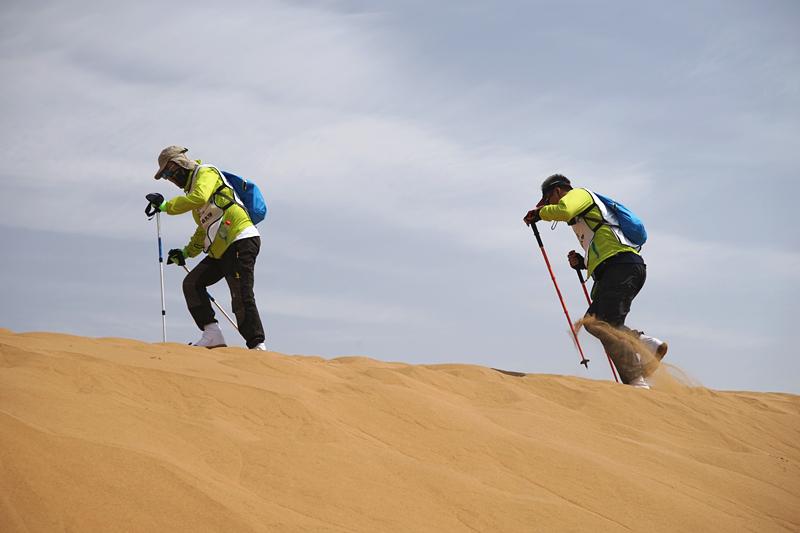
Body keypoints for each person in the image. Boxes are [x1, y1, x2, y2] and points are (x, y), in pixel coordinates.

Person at [523, 174, 666, 388]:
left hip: (622, 266)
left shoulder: (578, 194)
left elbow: (564, 210)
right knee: (596, 322)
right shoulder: (584, 222)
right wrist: (583, 263)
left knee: (604, 324)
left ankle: (640, 369)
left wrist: (540, 214)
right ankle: (642, 357)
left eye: (548, 201)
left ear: (557, 191)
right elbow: (604, 248)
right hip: (619, 268)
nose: (550, 206)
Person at [146, 145, 266, 351]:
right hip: (221, 248)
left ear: (179, 165)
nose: (169, 178)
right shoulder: (192, 191)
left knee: (241, 293)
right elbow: (203, 230)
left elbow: (200, 198)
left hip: (240, 238)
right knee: (192, 284)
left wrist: (166, 207)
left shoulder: (206, 173)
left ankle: (257, 346)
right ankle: (212, 334)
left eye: (168, 172)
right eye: (165, 176)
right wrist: (185, 252)